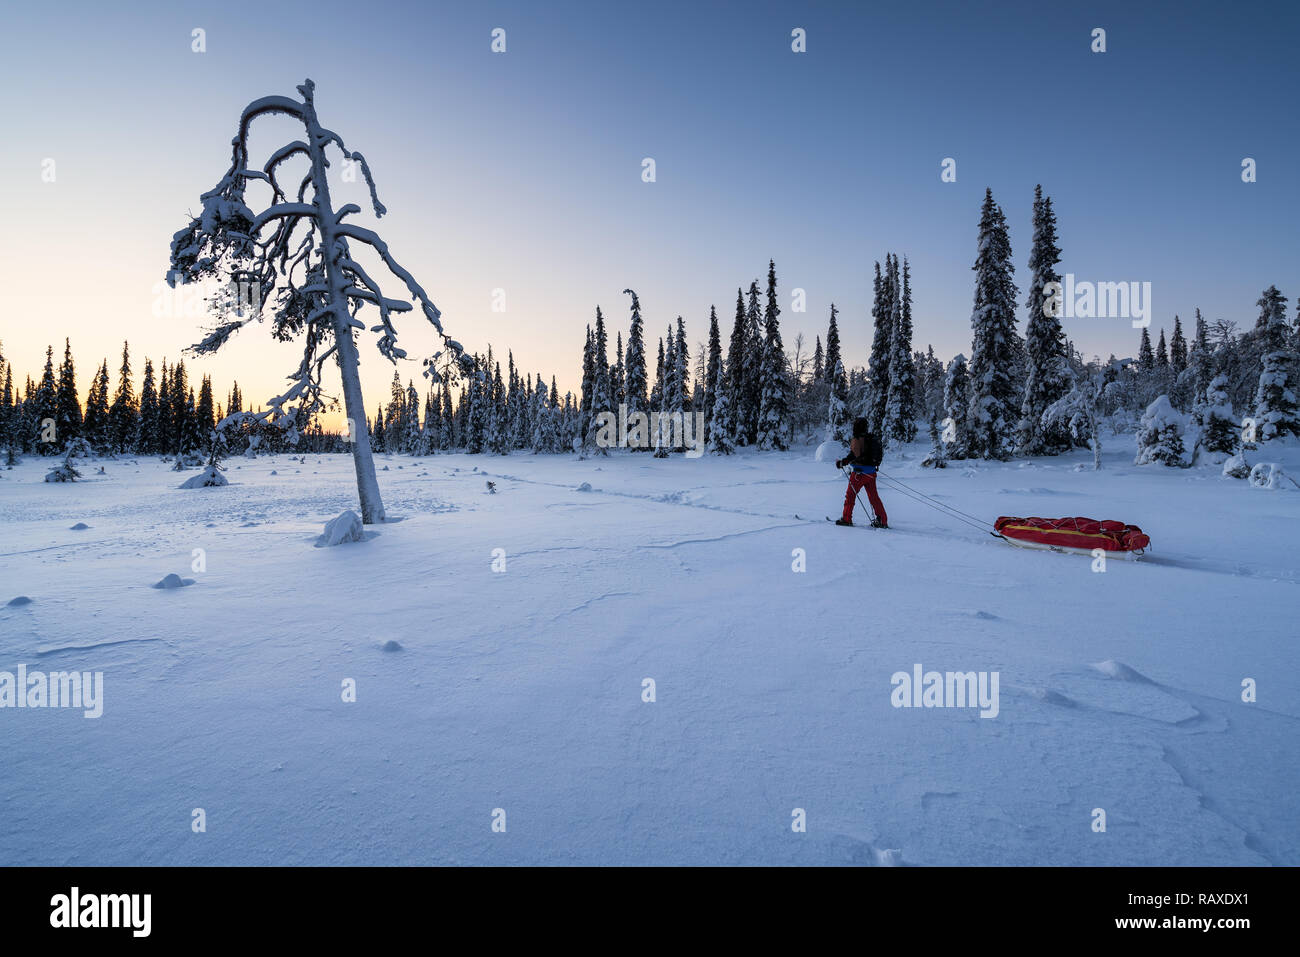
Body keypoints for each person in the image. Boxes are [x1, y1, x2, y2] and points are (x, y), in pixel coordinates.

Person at [835, 418, 888, 528]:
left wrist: (842, 462)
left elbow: (854, 454)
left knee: (850, 496)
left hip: (859, 474)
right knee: (874, 497)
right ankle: (882, 521)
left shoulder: (858, 438)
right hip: (871, 473)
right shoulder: (870, 438)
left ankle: (846, 519)